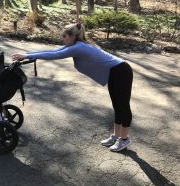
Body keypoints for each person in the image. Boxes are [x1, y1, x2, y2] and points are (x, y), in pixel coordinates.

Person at [12, 22, 133, 152]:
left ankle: (124, 139)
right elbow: (52, 51)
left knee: (123, 106)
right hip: (114, 73)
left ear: (72, 36)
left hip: (121, 72)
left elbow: (53, 55)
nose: (62, 39)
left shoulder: (78, 48)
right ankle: (116, 136)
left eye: (64, 36)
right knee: (117, 105)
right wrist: (28, 54)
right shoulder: (76, 45)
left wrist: (28, 55)